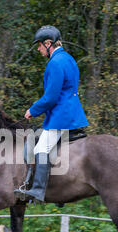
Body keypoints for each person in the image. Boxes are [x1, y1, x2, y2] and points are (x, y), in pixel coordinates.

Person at [14, 25, 89, 202]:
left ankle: (38, 190)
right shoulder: (69, 59)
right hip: (72, 113)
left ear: (49, 43)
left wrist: (32, 110)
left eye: (39, 45)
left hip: (61, 117)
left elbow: (51, 97)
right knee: (40, 139)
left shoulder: (54, 63)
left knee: (41, 148)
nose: (39, 49)